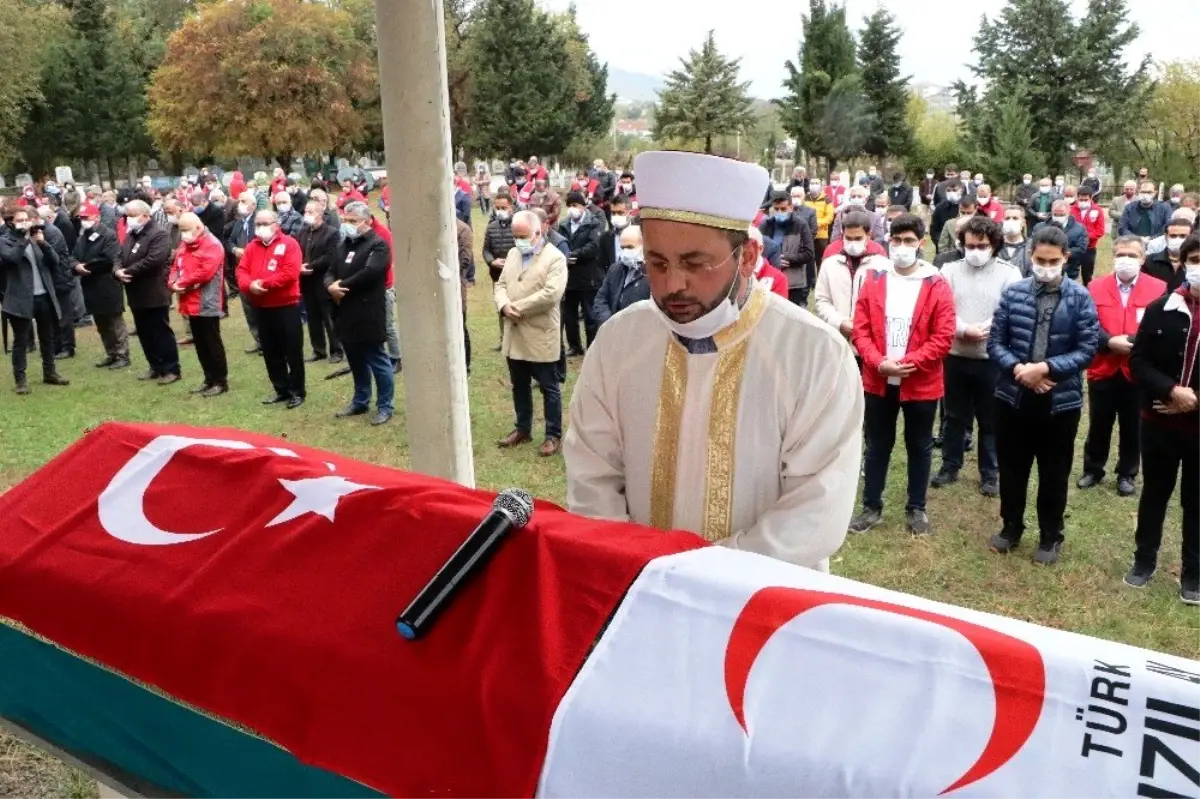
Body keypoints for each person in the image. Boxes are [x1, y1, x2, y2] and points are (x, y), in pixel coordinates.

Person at [564, 151, 864, 570]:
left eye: (695, 264)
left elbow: (814, 513)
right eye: (657, 263)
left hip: (759, 607)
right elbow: (590, 472)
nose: (673, 284)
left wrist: (695, 579)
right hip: (634, 586)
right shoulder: (619, 341)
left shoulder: (814, 355)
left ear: (746, 257)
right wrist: (637, 567)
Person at [986, 225, 1099, 565]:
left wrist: (1047, 368)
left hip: (1059, 402)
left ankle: (1050, 535)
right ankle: (1011, 527)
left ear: (1066, 258)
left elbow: (1087, 349)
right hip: (1014, 396)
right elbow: (996, 342)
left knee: (1054, 472)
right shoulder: (1014, 293)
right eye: (1039, 259)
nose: (1045, 266)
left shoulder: (1080, 298)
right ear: (1031, 256)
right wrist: (1021, 370)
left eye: (1053, 260)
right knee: (1012, 467)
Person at [848, 214, 954, 535]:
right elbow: (861, 328)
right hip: (878, 380)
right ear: (888, 241)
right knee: (877, 444)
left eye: (909, 241)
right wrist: (878, 362)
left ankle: (916, 508)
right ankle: (871, 506)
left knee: (919, 445)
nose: (902, 247)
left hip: (920, 382)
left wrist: (911, 362)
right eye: (896, 240)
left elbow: (943, 336)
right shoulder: (874, 279)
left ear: (921, 244)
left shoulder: (936, 284)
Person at [1125, 233, 1200, 601]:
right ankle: (1144, 560)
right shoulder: (1161, 309)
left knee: (1197, 501)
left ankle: (1193, 574)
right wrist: (1171, 391)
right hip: (1157, 422)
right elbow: (1139, 361)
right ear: (1185, 263)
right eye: (1196, 258)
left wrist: (1193, 400)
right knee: (1155, 492)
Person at [932, 216, 1021, 496]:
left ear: (993, 244)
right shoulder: (948, 270)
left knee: (991, 418)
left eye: (981, 245)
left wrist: (989, 329)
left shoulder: (1010, 273)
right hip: (955, 354)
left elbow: (1012, 311)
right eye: (970, 245)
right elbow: (940, 308)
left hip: (991, 359)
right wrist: (962, 329)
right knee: (954, 416)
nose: (975, 250)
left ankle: (990, 472)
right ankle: (950, 464)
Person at [1077, 237, 1164, 498]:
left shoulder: (1158, 288)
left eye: (1132, 254)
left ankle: (1127, 473)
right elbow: (1088, 323)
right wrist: (1108, 341)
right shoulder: (1095, 286)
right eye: (1121, 254)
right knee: (1099, 422)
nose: (1126, 259)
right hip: (1103, 367)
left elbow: (1159, 328)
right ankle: (1093, 468)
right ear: (1113, 256)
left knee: (1133, 424)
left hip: (1137, 371)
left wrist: (1133, 344)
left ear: (1143, 259)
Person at [495, 210, 568, 456]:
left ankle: (553, 435)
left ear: (539, 232)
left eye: (524, 236)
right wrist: (504, 305)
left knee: (549, 386)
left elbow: (551, 294)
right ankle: (523, 428)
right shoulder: (513, 253)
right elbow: (501, 284)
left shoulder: (555, 258)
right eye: (516, 236)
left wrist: (518, 307)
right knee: (519, 384)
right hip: (515, 332)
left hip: (540, 332)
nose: (519, 241)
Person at [325, 202, 394, 426]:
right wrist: (330, 286)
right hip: (345, 311)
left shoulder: (378, 245)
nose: (347, 225)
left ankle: (385, 405)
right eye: (345, 220)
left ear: (367, 221)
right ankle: (360, 400)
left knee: (377, 359)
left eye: (353, 221)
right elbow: (330, 270)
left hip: (368, 311)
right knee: (355, 359)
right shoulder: (343, 244)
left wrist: (340, 286)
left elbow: (371, 272)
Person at [237, 210, 305, 409]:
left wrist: (264, 284)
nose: (261, 227)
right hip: (262, 306)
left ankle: (297, 391)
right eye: (258, 223)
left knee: (292, 351)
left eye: (265, 223)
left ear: (276, 224)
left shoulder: (290, 244)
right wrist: (249, 285)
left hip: (286, 306)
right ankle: (281, 389)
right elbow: (241, 270)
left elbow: (289, 273)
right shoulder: (252, 246)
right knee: (270, 351)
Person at [1, 207, 69, 393]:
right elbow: (12, 259)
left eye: (26, 219)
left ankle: (50, 372)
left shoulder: (36, 238)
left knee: (47, 337)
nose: (25, 223)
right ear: (11, 223)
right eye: (20, 220)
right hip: (20, 298)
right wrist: (24, 239)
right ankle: (20, 380)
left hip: (44, 296)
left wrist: (43, 244)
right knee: (21, 341)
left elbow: (55, 262)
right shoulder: (5, 241)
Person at [115, 200, 179, 385]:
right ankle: (155, 366)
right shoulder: (131, 234)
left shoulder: (158, 234)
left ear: (145, 215)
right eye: (127, 215)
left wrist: (127, 271)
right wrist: (117, 270)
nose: (129, 219)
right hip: (136, 292)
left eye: (132, 215)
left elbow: (154, 260)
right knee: (144, 332)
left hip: (154, 291)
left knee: (160, 331)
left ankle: (171, 369)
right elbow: (119, 256)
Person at [171, 213, 227, 396]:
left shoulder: (212, 245)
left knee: (212, 343)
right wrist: (173, 283)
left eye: (186, 230)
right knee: (200, 344)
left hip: (206, 302)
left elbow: (205, 273)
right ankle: (208, 378)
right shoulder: (184, 245)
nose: (183, 234)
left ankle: (220, 381)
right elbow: (175, 266)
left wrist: (182, 282)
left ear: (198, 227)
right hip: (189, 301)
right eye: (181, 231)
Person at [73, 204, 129, 369]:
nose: (83, 221)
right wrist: (76, 265)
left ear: (96, 217)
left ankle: (122, 355)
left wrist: (85, 266)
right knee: (101, 322)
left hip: (107, 283)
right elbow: (73, 256)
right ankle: (111, 353)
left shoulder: (109, 235)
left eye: (86, 218)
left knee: (114, 321)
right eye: (81, 218)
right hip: (91, 285)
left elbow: (108, 259)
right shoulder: (83, 236)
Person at [558, 191, 604, 356]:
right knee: (570, 315)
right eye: (569, 206)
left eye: (575, 205)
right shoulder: (563, 224)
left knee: (590, 315)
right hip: (568, 276)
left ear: (583, 206)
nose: (572, 209)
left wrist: (572, 255)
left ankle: (592, 347)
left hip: (588, 276)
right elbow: (559, 244)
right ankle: (575, 345)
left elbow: (593, 247)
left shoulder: (594, 223)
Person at [298, 199, 343, 364]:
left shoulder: (331, 233)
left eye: (310, 212)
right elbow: (297, 252)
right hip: (307, 281)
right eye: (305, 212)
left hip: (323, 280)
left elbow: (331, 256)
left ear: (319, 214)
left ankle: (337, 350)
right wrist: (299, 266)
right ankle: (319, 349)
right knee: (313, 317)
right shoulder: (302, 232)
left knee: (329, 316)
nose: (307, 215)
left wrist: (310, 266)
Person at [759, 191, 815, 306]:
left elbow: (809, 253)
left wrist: (788, 259)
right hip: (769, 280)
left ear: (791, 207)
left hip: (794, 283)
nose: (779, 212)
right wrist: (773, 260)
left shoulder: (801, 225)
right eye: (776, 209)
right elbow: (758, 249)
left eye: (783, 209)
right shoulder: (765, 225)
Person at [226, 191, 261, 352]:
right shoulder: (239, 222)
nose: (239, 204)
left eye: (243, 201)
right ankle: (258, 339)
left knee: (260, 306)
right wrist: (234, 249)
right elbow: (229, 240)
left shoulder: (260, 221)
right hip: (242, 269)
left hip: (258, 269)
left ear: (253, 205)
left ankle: (268, 340)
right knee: (247, 306)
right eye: (239, 201)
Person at [594, 225, 648, 324]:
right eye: (622, 248)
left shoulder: (651, 274)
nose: (625, 252)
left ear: (644, 245)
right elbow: (600, 299)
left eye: (630, 247)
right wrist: (610, 324)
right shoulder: (615, 269)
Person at [482, 192, 516, 350]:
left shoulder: (518, 225)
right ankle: (504, 339)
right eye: (497, 207)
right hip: (497, 274)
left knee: (516, 306)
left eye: (503, 207)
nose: (500, 210)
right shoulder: (491, 227)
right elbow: (486, 250)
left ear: (511, 207)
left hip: (516, 274)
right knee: (501, 307)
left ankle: (517, 339)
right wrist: (492, 261)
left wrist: (511, 262)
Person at [1031, 201, 1088, 282]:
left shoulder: (1079, 229)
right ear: (1051, 211)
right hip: (1043, 273)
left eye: (1061, 215)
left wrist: (1060, 253)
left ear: (1069, 212)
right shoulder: (1039, 227)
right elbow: (1033, 246)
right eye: (1055, 214)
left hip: (1069, 274)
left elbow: (1081, 249)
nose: (1058, 217)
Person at [1141, 214, 1192, 295]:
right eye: (1173, 236)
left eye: (1183, 236)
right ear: (1165, 237)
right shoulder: (1148, 262)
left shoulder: (1197, 263)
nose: (1178, 239)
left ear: (1191, 237)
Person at [1071, 185, 1106, 285]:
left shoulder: (1097, 210)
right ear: (1077, 198)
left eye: (1085, 199)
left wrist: (1085, 237)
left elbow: (1100, 230)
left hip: (1089, 248)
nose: (1083, 202)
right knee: (1071, 274)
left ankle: (1087, 293)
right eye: (1081, 199)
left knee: (1087, 276)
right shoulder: (1071, 209)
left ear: (1091, 198)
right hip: (1074, 247)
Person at [456, 217, 473, 373]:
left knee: (460, 326)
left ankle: (465, 365)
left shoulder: (462, 229)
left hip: (455, 285)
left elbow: (465, 259)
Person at [930, 180, 964, 248]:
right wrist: (940, 242)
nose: (951, 193)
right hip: (944, 245)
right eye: (948, 190)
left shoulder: (966, 206)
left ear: (961, 190)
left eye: (954, 190)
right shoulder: (940, 207)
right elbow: (934, 228)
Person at [999, 205, 1032, 276]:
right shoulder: (995, 244)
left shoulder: (1031, 246)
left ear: (1023, 223)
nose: (1011, 221)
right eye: (1007, 218)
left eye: (1015, 218)